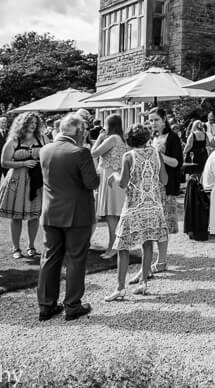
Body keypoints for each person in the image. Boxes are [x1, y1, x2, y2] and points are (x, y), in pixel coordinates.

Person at [37, 114, 100, 322]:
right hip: (76, 213)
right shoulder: (80, 152)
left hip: (50, 211)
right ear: (79, 131)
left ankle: (46, 305)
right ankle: (72, 305)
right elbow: (92, 183)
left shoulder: (45, 150)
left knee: (49, 258)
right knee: (76, 258)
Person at [106, 124, 168, 300]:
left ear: (129, 139)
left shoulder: (129, 156)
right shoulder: (156, 154)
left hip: (134, 206)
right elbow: (164, 180)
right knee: (147, 244)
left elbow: (123, 183)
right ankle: (143, 283)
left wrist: (115, 176)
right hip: (154, 206)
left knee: (123, 246)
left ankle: (120, 288)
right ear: (147, 137)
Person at [0, 112, 44, 259]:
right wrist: (23, 163)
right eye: (30, 122)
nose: (33, 125)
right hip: (17, 180)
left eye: (35, 123)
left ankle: (31, 246)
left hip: (36, 180)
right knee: (17, 216)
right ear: (22, 124)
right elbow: (4, 162)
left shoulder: (42, 138)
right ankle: (16, 248)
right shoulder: (13, 141)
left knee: (35, 215)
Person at [149, 107, 182, 273]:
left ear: (164, 120)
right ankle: (158, 258)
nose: (153, 123)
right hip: (153, 185)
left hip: (166, 185)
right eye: (150, 120)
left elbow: (177, 162)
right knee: (155, 224)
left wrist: (158, 155)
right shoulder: (153, 138)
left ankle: (161, 260)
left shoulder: (173, 137)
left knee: (163, 225)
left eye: (155, 120)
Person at [91, 115, 129, 259]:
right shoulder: (121, 139)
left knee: (112, 215)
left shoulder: (112, 139)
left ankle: (113, 248)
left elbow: (94, 153)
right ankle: (117, 246)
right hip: (115, 178)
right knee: (114, 215)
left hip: (110, 179)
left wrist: (100, 138)